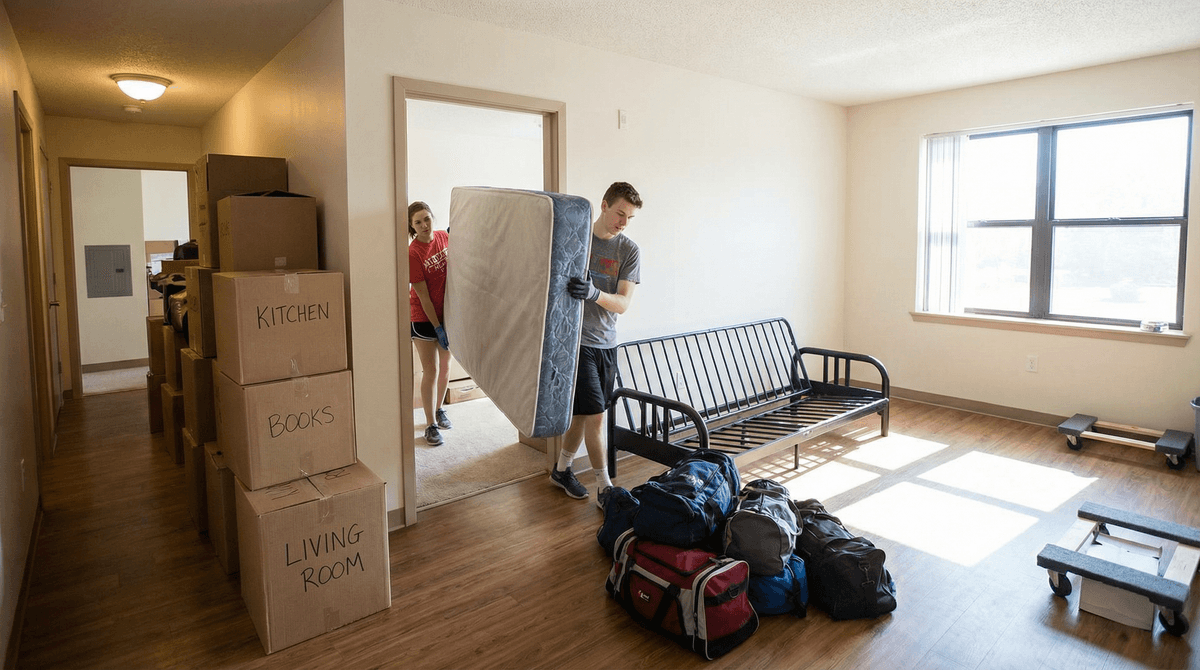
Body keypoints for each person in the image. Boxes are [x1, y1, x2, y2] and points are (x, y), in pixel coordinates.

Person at [551, 182, 642, 508]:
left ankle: (561, 469)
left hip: (607, 343)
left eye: (629, 218)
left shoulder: (628, 251)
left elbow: (622, 303)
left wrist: (594, 293)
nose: (623, 222)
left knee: (583, 414)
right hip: (576, 343)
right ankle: (605, 487)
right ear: (603, 206)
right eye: (620, 213)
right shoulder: (576, 241)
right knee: (597, 416)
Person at [408, 201, 453, 446]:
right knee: (431, 370)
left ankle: (439, 409)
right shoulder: (412, 253)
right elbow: (423, 295)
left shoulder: (442, 238)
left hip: (448, 314)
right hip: (423, 317)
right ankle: (430, 425)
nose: (424, 225)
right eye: (418, 222)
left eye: (427, 219)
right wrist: (437, 326)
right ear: (411, 226)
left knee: (446, 366)